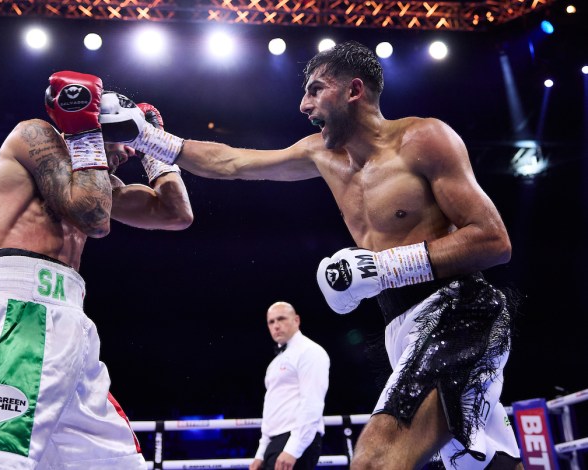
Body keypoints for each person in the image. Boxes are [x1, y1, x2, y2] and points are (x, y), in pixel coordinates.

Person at [103, 41, 524, 469]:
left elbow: (493, 240)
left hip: (460, 312)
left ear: (354, 90)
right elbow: (231, 162)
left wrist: (384, 267)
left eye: (316, 89)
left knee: (376, 459)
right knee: (483, 463)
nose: (304, 105)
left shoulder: (423, 138)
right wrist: (148, 138)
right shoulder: (320, 154)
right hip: (400, 322)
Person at [0, 71, 193, 470]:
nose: (129, 152)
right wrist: (85, 129)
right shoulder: (34, 135)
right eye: (125, 138)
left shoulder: (102, 185)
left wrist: (153, 146)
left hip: (71, 322)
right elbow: (93, 217)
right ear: (97, 122)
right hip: (18, 314)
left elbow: (176, 214)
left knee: (116, 463)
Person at [250, 301, 330, 470]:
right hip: (275, 442)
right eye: (271, 322)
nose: (276, 326)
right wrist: (260, 453)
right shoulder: (275, 363)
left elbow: (312, 402)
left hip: (295, 439)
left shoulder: (310, 351)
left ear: (296, 320)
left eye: (281, 319)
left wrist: (294, 449)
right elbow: (272, 408)